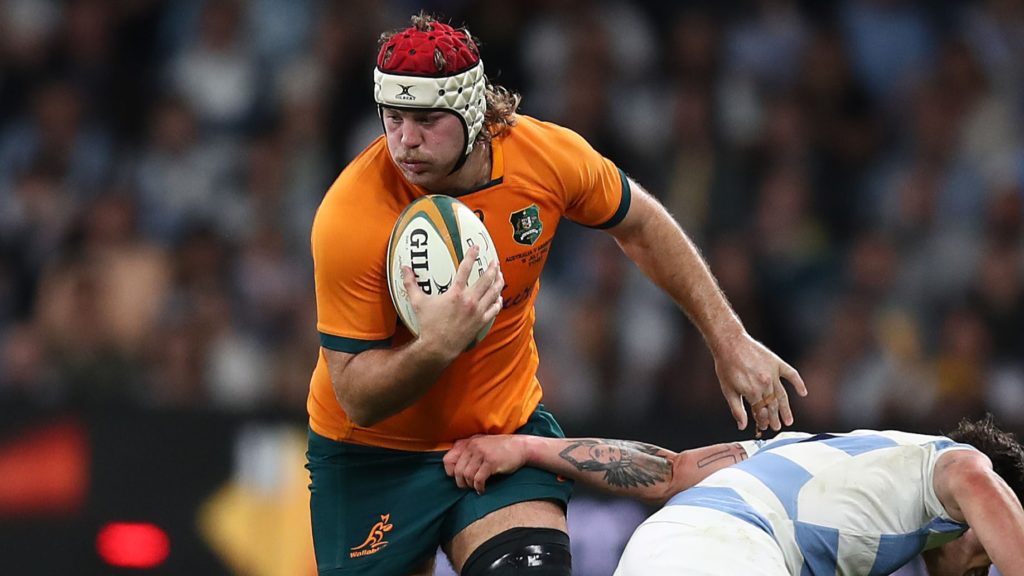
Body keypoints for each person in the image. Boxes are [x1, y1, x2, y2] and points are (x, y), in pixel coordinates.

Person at [305, 12, 806, 576]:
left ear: (471, 109)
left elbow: (641, 224)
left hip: (501, 432)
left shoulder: (544, 157)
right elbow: (356, 396)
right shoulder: (349, 215)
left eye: (426, 120)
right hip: (374, 455)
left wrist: (728, 337)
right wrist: (437, 345)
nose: (405, 141)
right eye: (393, 119)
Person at [443, 415, 1024, 576]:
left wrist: (528, 448)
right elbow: (975, 477)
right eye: (985, 562)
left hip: (655, 550)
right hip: (733, 556)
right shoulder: (950, 463)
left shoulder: (806, 448)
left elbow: (666, 471)